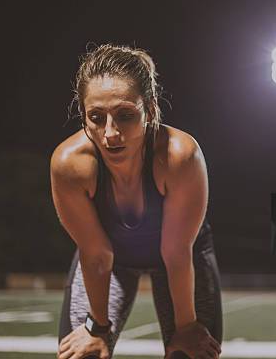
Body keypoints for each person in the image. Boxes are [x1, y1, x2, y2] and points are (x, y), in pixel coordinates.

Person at [51, 44, 223, 359]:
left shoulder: (179, 156)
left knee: (190, 352)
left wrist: (186, 328)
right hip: (110, 261)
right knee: (85, 354)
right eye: (96, 117)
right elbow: (97, 254)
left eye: (125, 115)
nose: (110, 133)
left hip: (181, 256)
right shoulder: (70, 164)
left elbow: (175, 253)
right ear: (83, 116)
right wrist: (97, 328)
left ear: (151, 110)